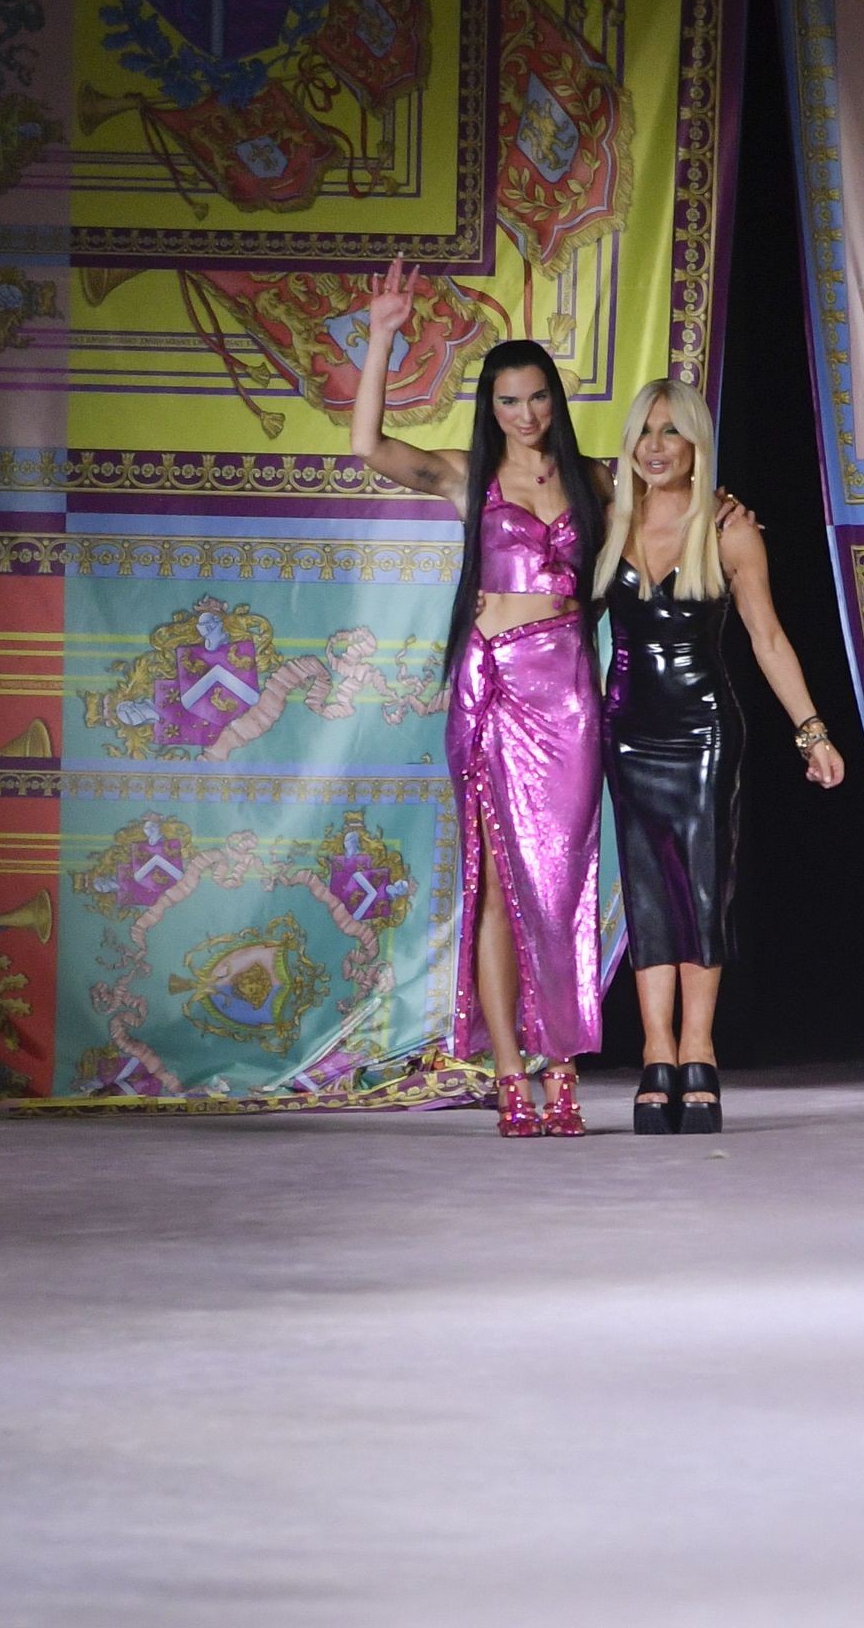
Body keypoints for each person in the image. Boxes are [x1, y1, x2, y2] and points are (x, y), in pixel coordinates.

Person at [351, 258, 611, 1138]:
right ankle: (511, 1074)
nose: (525, 415)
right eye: (508, 401)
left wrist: (728, 513)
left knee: (562, 879)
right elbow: (369, 447)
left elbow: (677, 492)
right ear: (490, 407)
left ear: (554, 402)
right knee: (497, 883)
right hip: (492, 684)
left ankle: (563, 1064)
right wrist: (382, 335)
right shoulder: (471, 476)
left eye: (536, 399)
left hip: (567, 693)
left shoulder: (594, 480)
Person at [594, 378, 845, 1136]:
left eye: (672, 431)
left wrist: (813, 731)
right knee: (646, 890)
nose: (656, 446)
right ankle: (656, 1053)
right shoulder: (607, 512)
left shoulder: (728, 527)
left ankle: (699, 1051)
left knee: (701, 888)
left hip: (703, 729)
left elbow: (767, 638)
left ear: (696, 442)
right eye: (645, 432)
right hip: (626, 730)